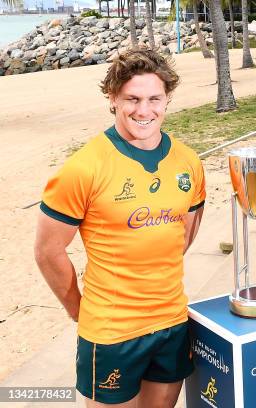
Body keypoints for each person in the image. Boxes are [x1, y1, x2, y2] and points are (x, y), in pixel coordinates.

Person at [34, 48, 206, 407]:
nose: (144, 111)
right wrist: (82, 314)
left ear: (167, 98)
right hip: (112, 332)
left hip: (172, 322)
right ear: (112, 98)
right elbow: (48, 252)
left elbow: (182, 235)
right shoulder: (83, 168)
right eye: (132, 99)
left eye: (154, 98)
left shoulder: (188, 161)